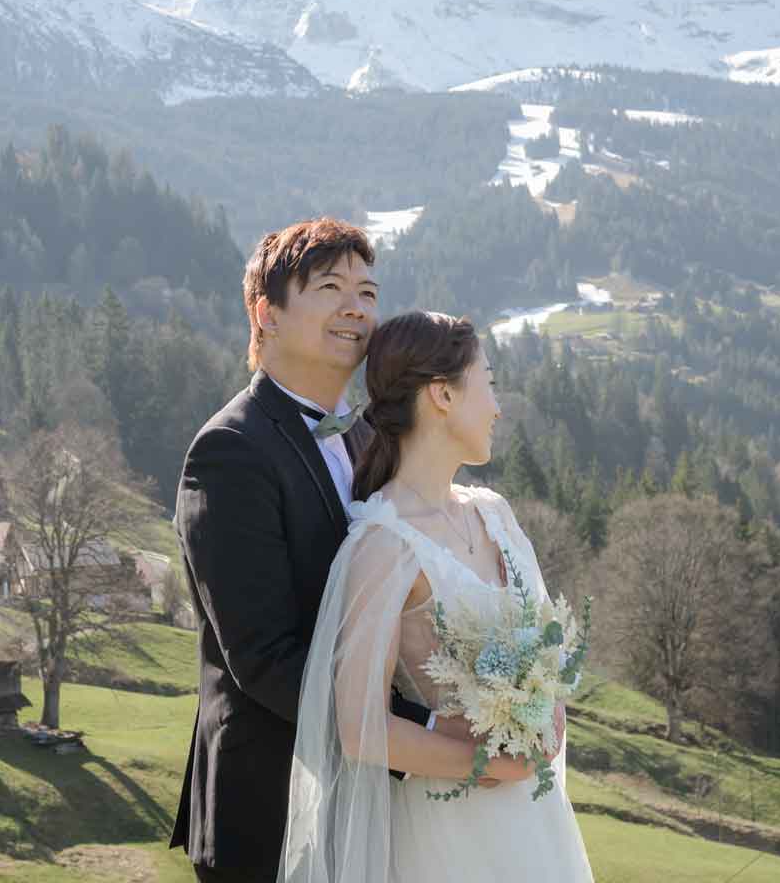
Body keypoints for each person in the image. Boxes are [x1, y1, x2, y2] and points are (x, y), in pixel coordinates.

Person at [173, 218, 466, 882]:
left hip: (370, 805)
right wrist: (420, 733)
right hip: (273, 803)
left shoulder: (367, 443)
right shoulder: (230, 452)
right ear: (264, 313)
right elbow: (265, 659)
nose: (356, 309)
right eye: (330, 287)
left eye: (367, 292)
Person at [282, 310, 593, 883]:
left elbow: (548, 654)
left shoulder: (495, 514)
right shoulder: (383, 544)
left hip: (535, 822)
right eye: (489, 383)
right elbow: (358, 730)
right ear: (443, 394)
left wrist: (546, 716)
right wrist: (487, 763)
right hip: (448, 834)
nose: (498, 407)